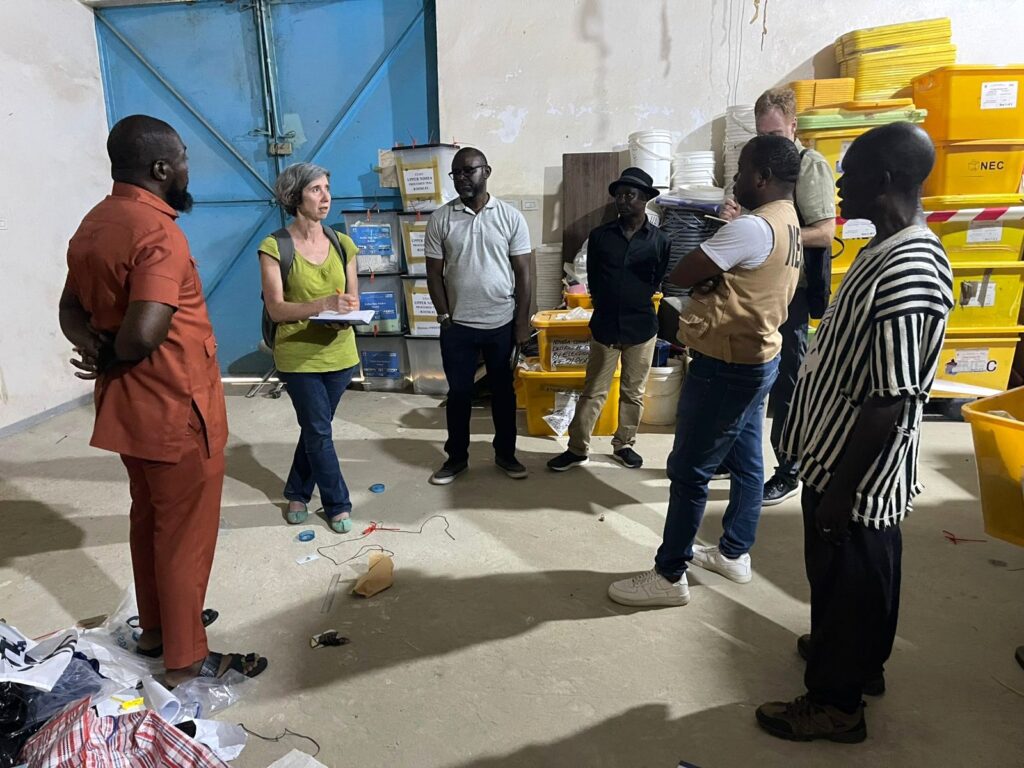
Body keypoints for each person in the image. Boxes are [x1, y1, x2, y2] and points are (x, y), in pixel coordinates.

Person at [756, 122, 953, 743]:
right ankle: (857, 660)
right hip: (835, 452)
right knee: (857, 572)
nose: (839, 184)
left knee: (849, 575)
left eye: (852, 172)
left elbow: (890, 398)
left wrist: (841, 491)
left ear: (886, 179)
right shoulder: (883, 248)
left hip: (857, 468)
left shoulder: (911, 269)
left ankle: (835, 704)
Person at [58, 115, 267, 686]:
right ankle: (186, 658)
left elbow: (70, 310)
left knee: (150, 520)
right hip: (177, 410)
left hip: (129, 409)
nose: (186, 171)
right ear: (160, 168)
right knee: (184, 538)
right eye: (183, 162)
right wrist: (114, 350)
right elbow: (145, 333)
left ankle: (156, 630)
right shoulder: (158, 233)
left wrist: (98, 351)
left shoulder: (95, 222)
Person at [608, 134, 803, 607]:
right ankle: (734, 552)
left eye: (742, 171)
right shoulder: (789, 221)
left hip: (725, 365)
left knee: (690, 470)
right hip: (760, 356)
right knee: (748, 461)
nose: (734, 181)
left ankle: (668, 575)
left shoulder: (752, 229)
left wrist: (713, 269)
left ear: (763, 176)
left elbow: (682, 272)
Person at [721, 87, 836, 506]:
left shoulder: (809, 165)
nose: (769, 142)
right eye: (761, 134)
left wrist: (769, 235)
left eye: (775, 133)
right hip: (755, 286)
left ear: (793, 125)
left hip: (791, 292)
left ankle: (789, 469)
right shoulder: (760, 164)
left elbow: (825, 232)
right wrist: (736, 220)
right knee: (743, 372)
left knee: (787, 383)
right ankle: (734, 455)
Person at [258, 163, 361, 533]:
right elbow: (276, 309)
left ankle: (297, 491)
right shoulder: (274, 247)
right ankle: (338, 505)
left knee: (315, 429)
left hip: (341, 353)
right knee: (318, 430)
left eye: (327, 188)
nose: (326, 197)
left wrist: (343, 313)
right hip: (298, 355)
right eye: (316, 189)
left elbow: (351, 300)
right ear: (294, 196)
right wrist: (322, 306)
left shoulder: (343, 244)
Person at [547, 167, 670, 472]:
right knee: (594, 390)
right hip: (605, 325)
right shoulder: (600, 236)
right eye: (619, 195)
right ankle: (577, 449)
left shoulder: (659, 240)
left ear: (645, 199)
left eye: (630, 195)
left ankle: (624, 444)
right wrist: (605, 304)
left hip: (641, 327)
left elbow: (657, 278)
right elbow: (593, 277)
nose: (622, 200)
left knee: (633, 392)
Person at [424, 147, 532, 485]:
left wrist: (522, 324)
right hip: (458, 326)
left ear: (486, 171)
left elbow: (525, 273)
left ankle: (506, 455)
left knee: (503, 394)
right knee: (459, 395)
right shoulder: (441, 219)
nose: (461, 178)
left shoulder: (510, 217)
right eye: (456, 173)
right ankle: (456, 458)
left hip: (501, 323)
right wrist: (444, 316)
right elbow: (433, 273)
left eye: (468, 171)